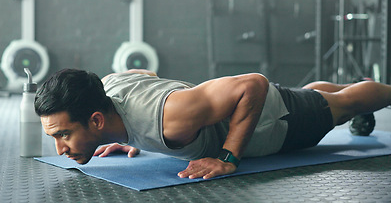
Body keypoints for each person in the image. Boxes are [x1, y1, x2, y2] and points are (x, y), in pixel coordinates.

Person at [34, 68, 391, 180]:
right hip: (268, 103)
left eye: (63, 134)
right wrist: (130, 136)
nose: (60, 148)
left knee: (343, 105)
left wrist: (228, 157)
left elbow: (254, 84)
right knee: (316, 94)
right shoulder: (107, 88)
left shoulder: (170, 119)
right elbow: (146, 76)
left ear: (95, 119)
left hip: (279, 120)